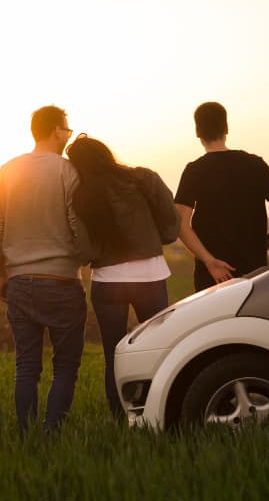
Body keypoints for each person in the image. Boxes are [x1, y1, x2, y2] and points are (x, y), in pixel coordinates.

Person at [0, 105, 89, 433]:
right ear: (55, 130)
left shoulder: (8, 170)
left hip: (19, 281)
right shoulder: (67, 170)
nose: (68, 135)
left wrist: (3, 274)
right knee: (65, 367)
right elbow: (76, 221)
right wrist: (82, 256)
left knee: (26, 367)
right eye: (68, 130)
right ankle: (51, 434)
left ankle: (26, 434)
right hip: (62, 281)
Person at [65, 134, 179, 418]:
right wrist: (156, 240)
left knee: (113, 355)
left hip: (107, 281)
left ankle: (121, 419)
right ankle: (159, 412)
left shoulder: (82, 195)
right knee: (159, 349)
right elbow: (170, 223)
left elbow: (85, 250)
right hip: (150, 277)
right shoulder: (143, 178)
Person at [174, 101, 269, 292]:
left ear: (197, 132)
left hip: (213, 277)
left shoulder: (194, 171)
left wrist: (210, 261)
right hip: (255, 274)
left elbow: (180, 224)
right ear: (226, 128)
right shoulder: (255, 164)